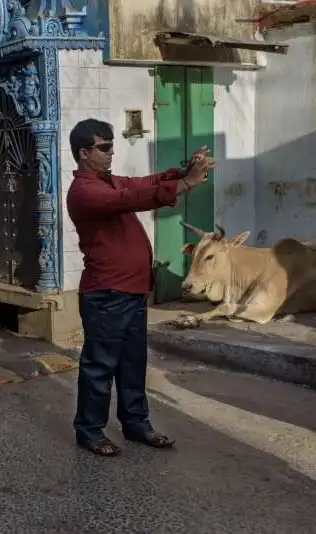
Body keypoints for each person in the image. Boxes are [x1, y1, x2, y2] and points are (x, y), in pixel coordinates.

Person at [66, 118, 214, 457]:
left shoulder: (109, 181)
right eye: (104, 147)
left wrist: (183, 170)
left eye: (111, 146)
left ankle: (135, 424)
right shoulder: (86, 191)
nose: (111, 152)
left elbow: (142, 183)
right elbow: (135, 198)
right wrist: (187, 183)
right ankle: (89, 430)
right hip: (106, 294)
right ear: (84, 152)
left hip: (131, 291)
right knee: (100, 366)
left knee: (133, 362)